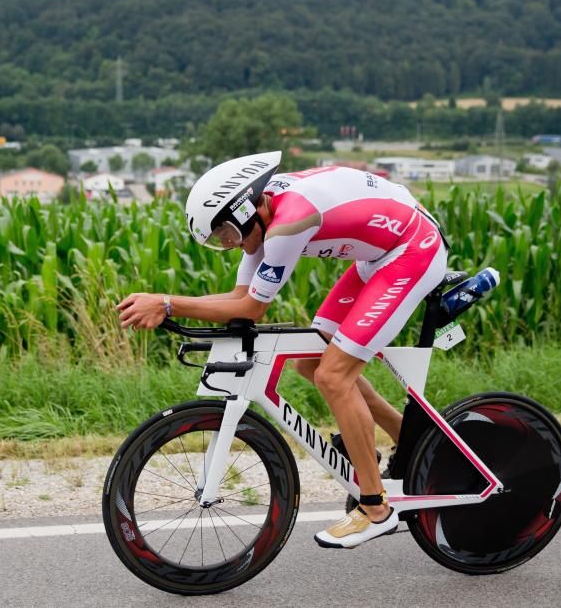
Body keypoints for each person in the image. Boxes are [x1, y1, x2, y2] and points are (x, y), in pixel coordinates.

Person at [116, 150, 448, 549]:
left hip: (411, 251)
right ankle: (416, 442)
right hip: (377, 256)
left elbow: (251, 308)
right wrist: (169, 304)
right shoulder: (260, 217)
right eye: (222, 242)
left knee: (334, 376)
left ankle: (376, 508)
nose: (232, 246)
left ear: (243, 212)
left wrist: (167, 302)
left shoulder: (287, 224)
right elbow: (240, 296)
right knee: (311, 362)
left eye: (227, 236)